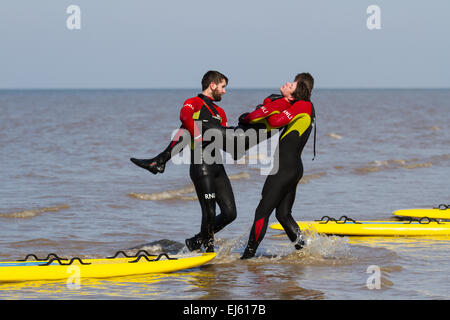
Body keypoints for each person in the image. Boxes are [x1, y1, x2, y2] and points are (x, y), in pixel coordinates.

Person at [239, 73, 316, 259]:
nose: (289, 84)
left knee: (261, 212)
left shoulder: (302, 105)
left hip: (284, 168)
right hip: (293, 167)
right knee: (283, 214)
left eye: (293, 84)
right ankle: (304, 251)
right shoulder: (304, 106)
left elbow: (274, 121)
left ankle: (247, 257)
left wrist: (253, 115)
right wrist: (279, 101)